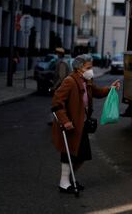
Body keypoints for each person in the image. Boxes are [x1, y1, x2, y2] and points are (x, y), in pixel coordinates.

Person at [51, 54, 120, 193]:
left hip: (81, 125)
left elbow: (97, 92)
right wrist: (65, 121)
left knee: (82, 155)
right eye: (88, 67)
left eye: (91, 66)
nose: (91, 70)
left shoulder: (87, 81)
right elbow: (57, 102)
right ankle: (64, 182)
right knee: (68, 153)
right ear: (79, 69)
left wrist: (110, 88)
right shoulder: (70, 81)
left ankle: (68, 179)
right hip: (70, 124)